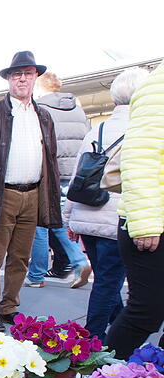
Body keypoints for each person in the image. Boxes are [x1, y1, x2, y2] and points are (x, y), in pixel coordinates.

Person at [0, 51, 61, 330]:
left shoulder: (43, 116)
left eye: (28, 74)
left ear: (35, 78)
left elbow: (51, 159)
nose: (22, 79)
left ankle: (9, 306)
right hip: (1, 194)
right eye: (16, 74)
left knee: (21, 257)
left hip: (32, 194)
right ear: (9, 79)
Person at [65, 67, 149, 342]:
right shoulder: (142, 129)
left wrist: (69, 218)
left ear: (113, 98)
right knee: (107, 282)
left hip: (86, 216)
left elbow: (77, 176)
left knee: (105, 279)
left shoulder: (96, 130)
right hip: (115, 218)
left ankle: (118, 327)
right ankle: (92, 342)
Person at [105, 62, 164, 359]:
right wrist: (146, 224)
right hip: (152, 222)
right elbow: (142, 157)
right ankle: (102, 376)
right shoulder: (158, 88)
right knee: (146, 312)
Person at [26, 71, 92, 289]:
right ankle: (77, 260)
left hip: (49, 174)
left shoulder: (40, 109)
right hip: (75, 174)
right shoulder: (78, 110)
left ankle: (37, 275)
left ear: (39, 88)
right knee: (60, 221)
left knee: (40, 225)